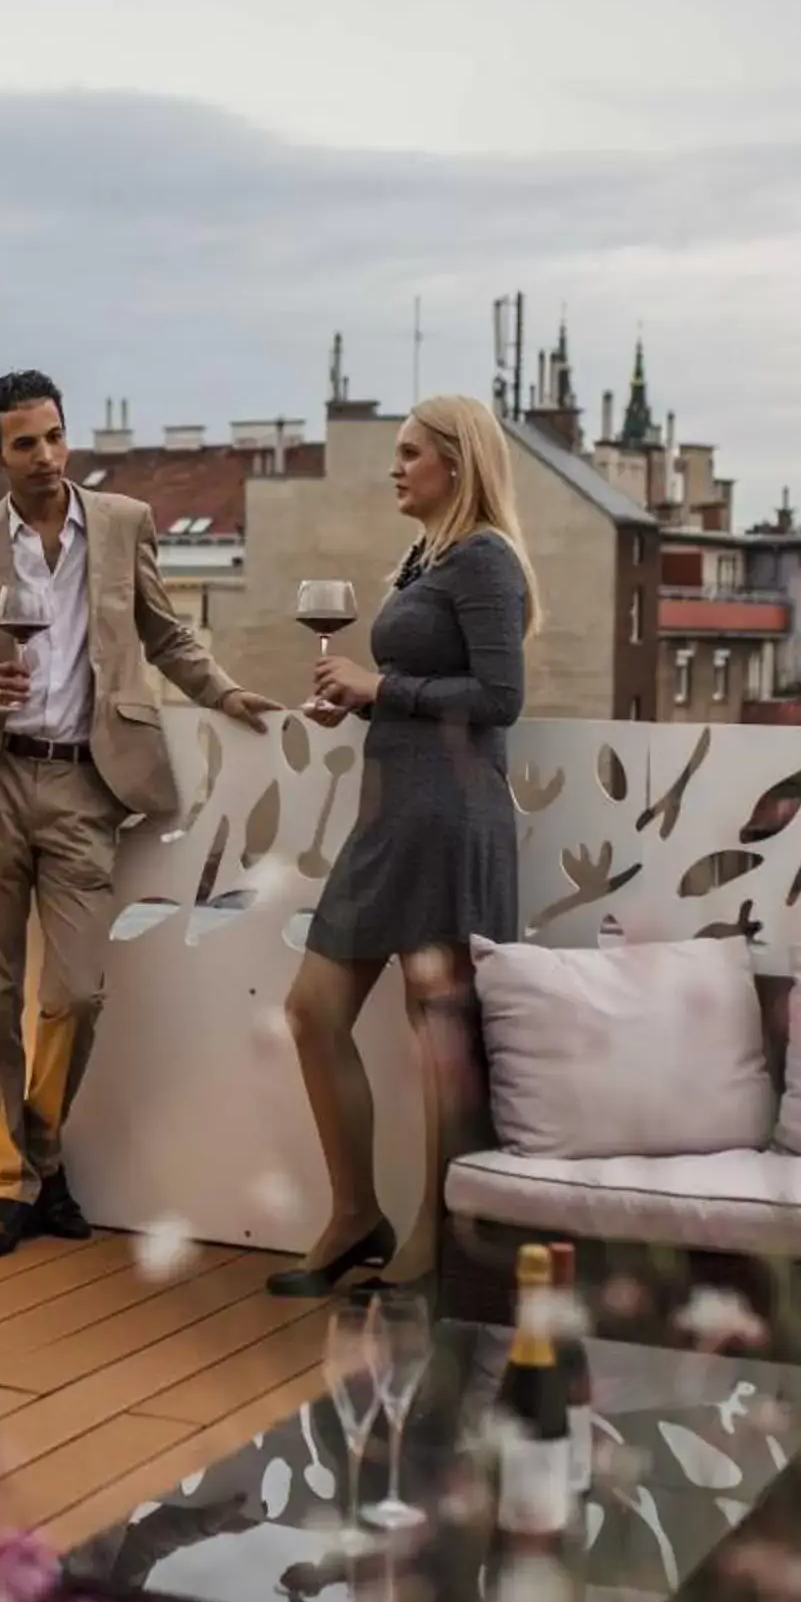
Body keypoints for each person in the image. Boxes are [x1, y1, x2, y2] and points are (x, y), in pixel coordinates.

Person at [0, 370, 280, 1259]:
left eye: (53, 436)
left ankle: (42, 1149)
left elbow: (166, 633)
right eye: (24, 443)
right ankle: (10, 1184)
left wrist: (228, 694)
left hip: (87, 785)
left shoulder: (122, 524)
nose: (45, 457)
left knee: (76, 993)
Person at [269, 394, 536, 1298]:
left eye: (410, 452)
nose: (396, 467)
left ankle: (439, 1239)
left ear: (457, 463)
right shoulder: (428, 558)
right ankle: (357, 1215)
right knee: (312, 1010)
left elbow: (501, 700)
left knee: (441, 1041)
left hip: (452, 818)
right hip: (391, 816)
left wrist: (382, 687)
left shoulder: (487, 563)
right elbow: (425, 683)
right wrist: (366, 697)